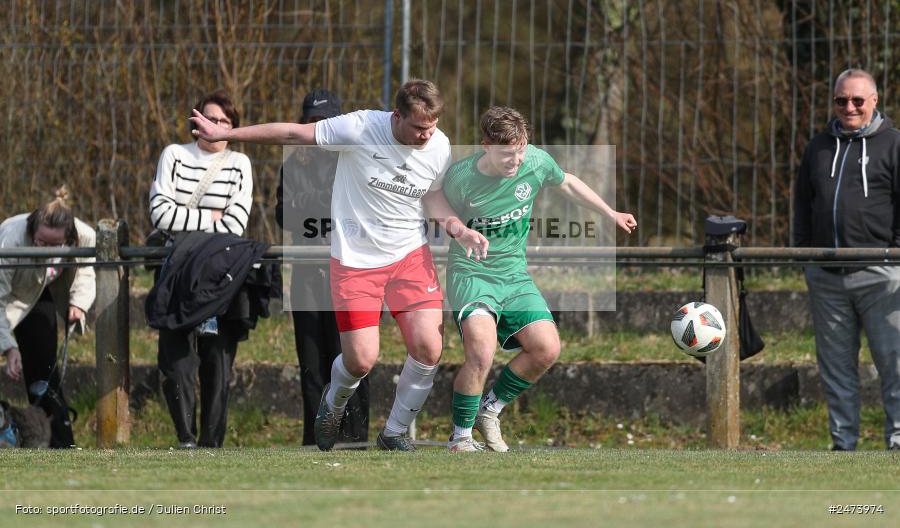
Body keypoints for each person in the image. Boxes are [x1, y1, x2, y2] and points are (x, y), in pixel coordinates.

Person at [191, 79, 489, 451]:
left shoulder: (439, 145)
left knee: (429, 347)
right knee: (361, 359)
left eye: (432, 125)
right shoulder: (361, 127)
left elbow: (432, 197)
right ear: (397, 116)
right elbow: (293, 132)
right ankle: (333, 404)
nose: (427, 135)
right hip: (356, 262)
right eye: (418, 127)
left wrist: (458, 229)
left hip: (410, 256)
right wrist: (229, 132)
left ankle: (394, 432)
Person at [441, 106, 636, 452]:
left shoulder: (535, 161)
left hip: (514, 275)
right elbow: (432, 201)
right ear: (485, 145)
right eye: (506, 154)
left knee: (547, 348)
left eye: (520, 150)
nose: (515, 160)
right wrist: (458, 230)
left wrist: (610, 212)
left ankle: (491, 410)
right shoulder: (461, 178)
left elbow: (568, 184)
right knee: (482, 353)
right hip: (473, 274)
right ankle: (460, 438)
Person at [794, 68, 900, 451]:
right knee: (836, 368)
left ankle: (897, 441)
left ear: (874, 100)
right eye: (842, 100)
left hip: (882, 275)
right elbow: (803, 204)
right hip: (826, 277)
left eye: (858, 100)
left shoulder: (894, 144)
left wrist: (894, 257)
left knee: (895, 363)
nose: (850, 107)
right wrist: (804, 253)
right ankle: (843, 445)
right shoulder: (818, 147)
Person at [149, 89, 254, 448]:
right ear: (196, 124)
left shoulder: (240, 164)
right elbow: (159, 214)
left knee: (218, 361)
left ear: (233, 127)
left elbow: (236, 225)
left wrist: (189, 225)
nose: (215, 126)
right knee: (175, 360)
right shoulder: (174, 156)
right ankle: (185, 438)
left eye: (224, 121)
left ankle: (212, 443)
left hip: (222, 274)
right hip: (177, 272)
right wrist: (209, 216)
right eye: (208, 119)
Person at [276, 88, 370, 445]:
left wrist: (309, 203)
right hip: (307, 275)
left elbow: (358, 211)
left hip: (352, 272)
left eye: (325, 121)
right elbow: (285, 216)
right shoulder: (292, 165)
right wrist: (319, 200)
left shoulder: (354, 161)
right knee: (312, 363)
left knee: (352, 358)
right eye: (312, 121)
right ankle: (315, 439)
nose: (317, 128)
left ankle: (356, 437)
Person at [0, 186, 96, 448]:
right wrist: (9, 347)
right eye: (42, 243)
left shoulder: (85, 235)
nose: (48, 251)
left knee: (44, 377)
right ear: (33, 229)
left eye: (57, 245)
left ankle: (60, 444)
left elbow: (87, 270)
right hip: (7, 298)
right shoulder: (11, 237)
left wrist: (79, 302)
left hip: (40, 296)